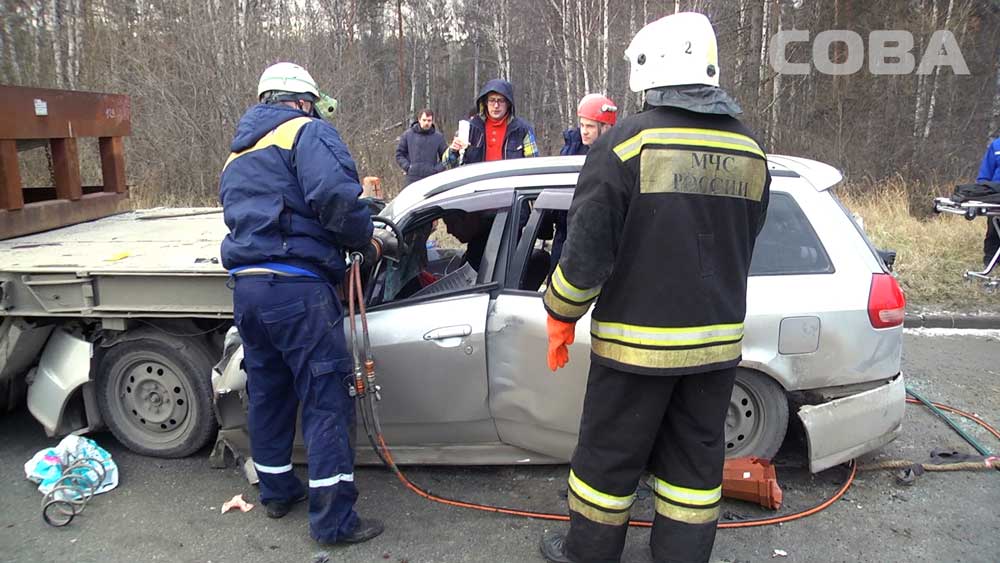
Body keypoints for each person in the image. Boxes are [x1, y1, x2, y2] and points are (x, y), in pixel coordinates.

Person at [539, 13, 771, 563]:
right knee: (694, 465)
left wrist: (559, 311)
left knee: (607, 463)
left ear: (649, 68)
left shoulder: (623, 145)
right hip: (715, 349)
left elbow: (586, 253)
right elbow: (744, 239)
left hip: (636, 348)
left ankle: (588, 553)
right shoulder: (753, 153)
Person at [219, 62, 389, 546]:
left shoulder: (238, 154)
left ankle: (276, 491)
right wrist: (363, 239)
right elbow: (336, 198)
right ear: (302, 101)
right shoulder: (306, 132)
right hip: (297, 288)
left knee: (270, 391)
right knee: (325, 397)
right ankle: (334, 523)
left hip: (248, 289)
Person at [549, 94, 620, 273]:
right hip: (565, 234)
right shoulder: (571, 151)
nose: (584, 131)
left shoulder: (615, 158)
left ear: (605, 128)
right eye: (582, 125)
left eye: (589, 126)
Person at [443, 78, 539, 168]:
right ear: (485, 103)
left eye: (501, 101)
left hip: (511, 184)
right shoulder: (470, 129)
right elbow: (447, 165)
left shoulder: (522, 130)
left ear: (509, 103)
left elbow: (532, 165)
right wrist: (453, 150)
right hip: (476, 184)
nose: (496, 105)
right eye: (492, 100)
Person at [395, 109, 447, 186]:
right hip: (412, 178)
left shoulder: (438, 137)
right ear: (419, 120)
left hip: (431, 178)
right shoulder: (408, 135)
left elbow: (446, 157)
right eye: (424, 120)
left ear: (432, 121)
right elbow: (399, 154)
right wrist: (407, 167)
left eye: (429, 120)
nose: (426, 123)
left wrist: (436, 170)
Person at [975, 136, 1000, 267]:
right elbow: (984, 176)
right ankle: (991, 264)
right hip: (995, 199)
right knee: (993, 233)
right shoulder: (996, 146)